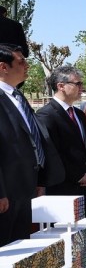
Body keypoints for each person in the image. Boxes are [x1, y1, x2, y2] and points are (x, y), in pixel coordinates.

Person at [0, 44, 48, 245]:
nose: (27, 65)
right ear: (3, 67)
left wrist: (40, 179)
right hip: (6, 193)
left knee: (21, 249)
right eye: (21, 61)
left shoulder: (18, 96)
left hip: (26, 187)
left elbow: (32, 138)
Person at [36, 66, 86, 209]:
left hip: (84, 186)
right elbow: (53, 153)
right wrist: (78, 176)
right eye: (77, 84)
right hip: (62, 189)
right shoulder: (46, 115)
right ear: (61, 86)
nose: (82, 87)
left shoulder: (79, 114)